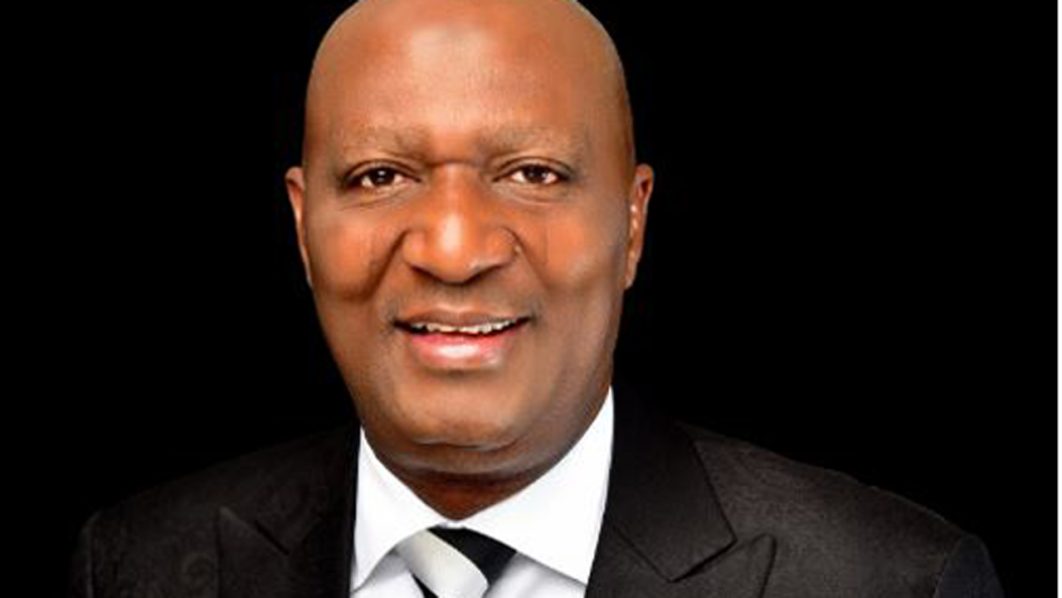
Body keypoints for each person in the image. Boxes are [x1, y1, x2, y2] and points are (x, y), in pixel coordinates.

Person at [67, 0, 1006, 596]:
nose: (453, 251)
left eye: (533, 174)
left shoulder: (888, 581)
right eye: (382, 176)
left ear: (632, 222)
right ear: (303, 225)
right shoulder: (134, 568)